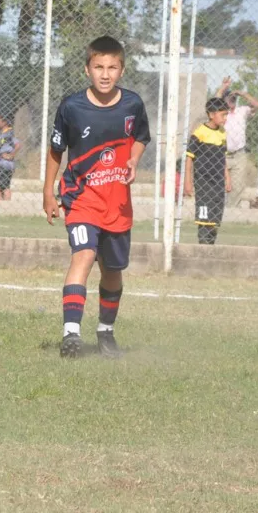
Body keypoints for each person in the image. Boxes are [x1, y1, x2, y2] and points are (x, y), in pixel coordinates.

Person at [43, 36, 150, 359]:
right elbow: (56, 150)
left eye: (112, 67)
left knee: (113, 271)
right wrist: (49, 192)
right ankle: (71, 335)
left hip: (117, 203)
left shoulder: (132, 104)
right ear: (86, 69)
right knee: (84, 256)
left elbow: (141, 137)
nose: (105, 74)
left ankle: (105, 332)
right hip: (81, 200)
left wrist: (133, 159)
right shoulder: (72, 107)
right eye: (98, 67)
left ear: (122, 70)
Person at [184, 97, 231, 244]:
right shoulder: (199, 133)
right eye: (222, 115)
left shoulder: (222, 133)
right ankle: (202, 248)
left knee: (215, 220)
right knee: (204, 220)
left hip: (218, 182)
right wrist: (188, 182)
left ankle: (211, 246)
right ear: (211, 115)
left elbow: (223, 159)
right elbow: (189, 159)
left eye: (226, 115)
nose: (225, 118)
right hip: (204, 182)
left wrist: (227, 178)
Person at [216, 77, 258, 207]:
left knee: (238, 185)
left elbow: (257, 105)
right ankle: (218, 207)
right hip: (222, 153)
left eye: (234, 98)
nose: (232, 99)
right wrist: (223, 88)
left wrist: (241, 93)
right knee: (219, 183)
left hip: (239, 154)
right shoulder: (221, 113)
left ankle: (231, 210)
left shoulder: (242, 110)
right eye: (229, 98)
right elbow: (215, 100)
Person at [0, 115, 22, 201]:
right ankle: (1, 203)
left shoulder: (8, 133)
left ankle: (6, 205)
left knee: (4, 187)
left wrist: (11, 155)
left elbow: (18, 144)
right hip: (1, 163)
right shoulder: (2, 134)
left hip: (5, 164)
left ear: (4, 122)